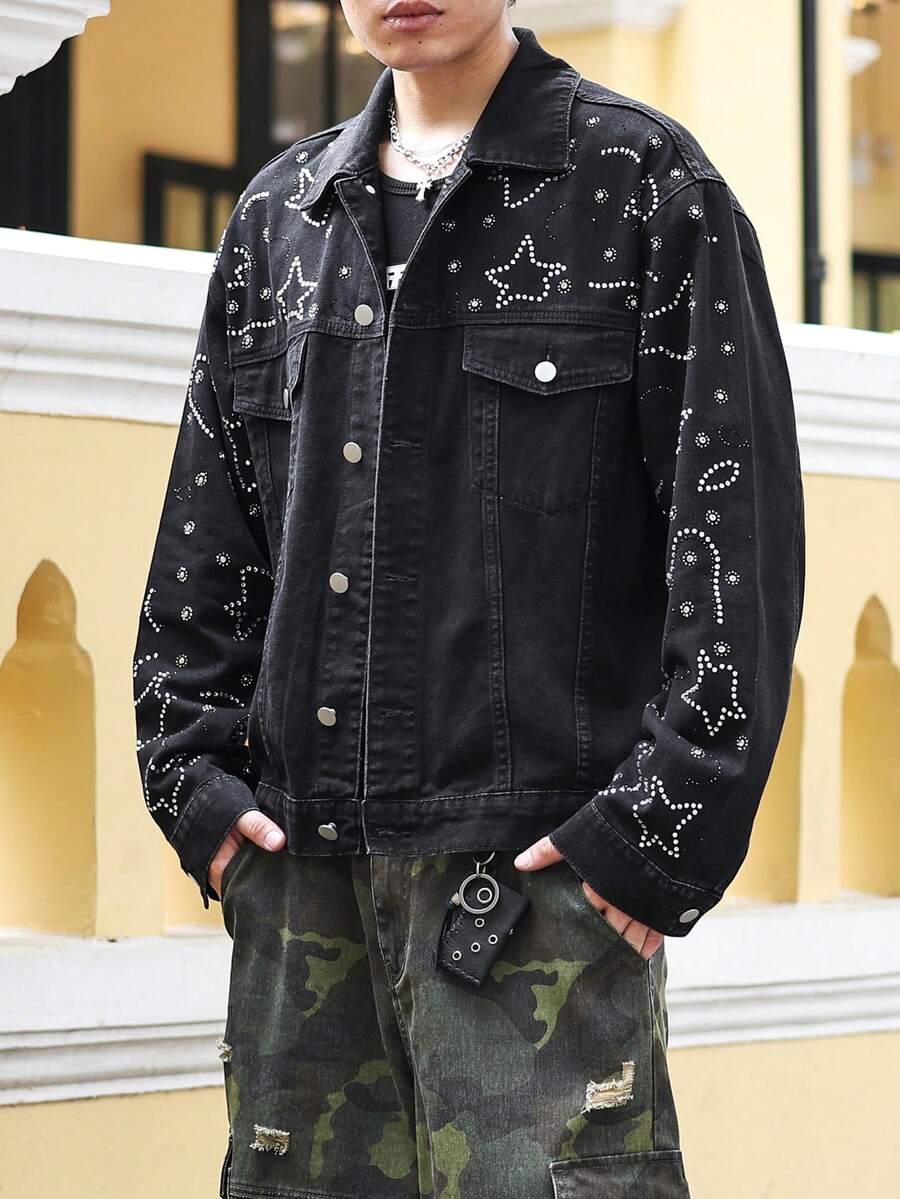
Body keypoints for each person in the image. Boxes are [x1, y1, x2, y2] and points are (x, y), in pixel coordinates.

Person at [132, 3, 804, 1196]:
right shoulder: (280, 219)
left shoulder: (646, 189)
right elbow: (207, 533)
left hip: (539, 892)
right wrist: (196, 786)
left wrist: (653, 838)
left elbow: (733, 534)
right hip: (302, 889)